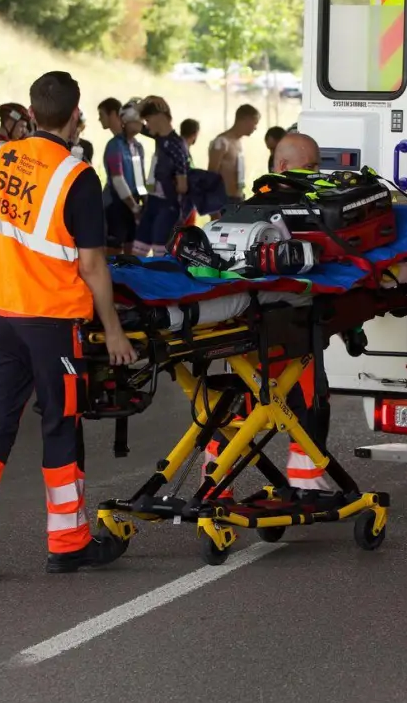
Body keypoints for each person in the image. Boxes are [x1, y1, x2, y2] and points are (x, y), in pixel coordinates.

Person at [0, 70, 136, 580]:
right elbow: (93, 266)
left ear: (30, 114)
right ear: (76, 116)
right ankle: (68, 543)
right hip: (50, 324)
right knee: (60, 426)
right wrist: (113, 329)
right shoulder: (76, 176)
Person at [199, 129, 334, 497]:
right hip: (283, 325)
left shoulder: (249, 209)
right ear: (284, 165)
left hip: (255, 327)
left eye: (319, 166)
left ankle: (216, 477)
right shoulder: (283, 214)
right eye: (310, 167)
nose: (317, 174)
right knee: (307, 396)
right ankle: (306, 478)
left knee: (247, 403)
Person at [131, 96, 188, 256]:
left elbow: (182, 185)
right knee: (138, 250)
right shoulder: (160, 138)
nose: (146, 125)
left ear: (159, 118)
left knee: (160, 255)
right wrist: (146, 102)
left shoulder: (177, 144)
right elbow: (135, 123)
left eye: (148, 120)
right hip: (153, 202)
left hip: (167, 205)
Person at [101, 98, 146, 255]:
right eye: (138, 120)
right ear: (126, 120)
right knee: (113, 253)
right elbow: (118, 179)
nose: (142, 123)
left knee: (132, 253)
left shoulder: (138, 147)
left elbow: (140, 180)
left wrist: (146, 203)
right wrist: (134, 207)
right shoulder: (115, 145)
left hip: (132, 206)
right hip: (116, 206)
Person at [208, 104, 259, 203]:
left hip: (238, 199)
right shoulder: (222, 142)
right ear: (246, 120)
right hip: (223, 201)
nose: (255, 128)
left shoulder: (239, 142)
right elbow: (211, 176)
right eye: (255, 123)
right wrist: (214, 209)